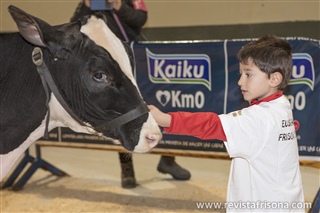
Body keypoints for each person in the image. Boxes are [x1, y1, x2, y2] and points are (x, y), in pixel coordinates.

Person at [149, 35, 305, 212]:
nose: (240, 81)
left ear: (274, 79)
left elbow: (211, 125)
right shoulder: (281, 105)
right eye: (241, 74)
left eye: (248, 74)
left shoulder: (258, 118)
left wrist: (164, 119)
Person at [71, 0, 191, 189]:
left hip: (140, 58)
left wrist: (119, 5)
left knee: (161, 105)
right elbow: (75, 24)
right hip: (113, 64)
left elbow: (141, 18)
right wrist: (87, 5)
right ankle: (127, 170)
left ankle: (168, 159)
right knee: (122, 114)